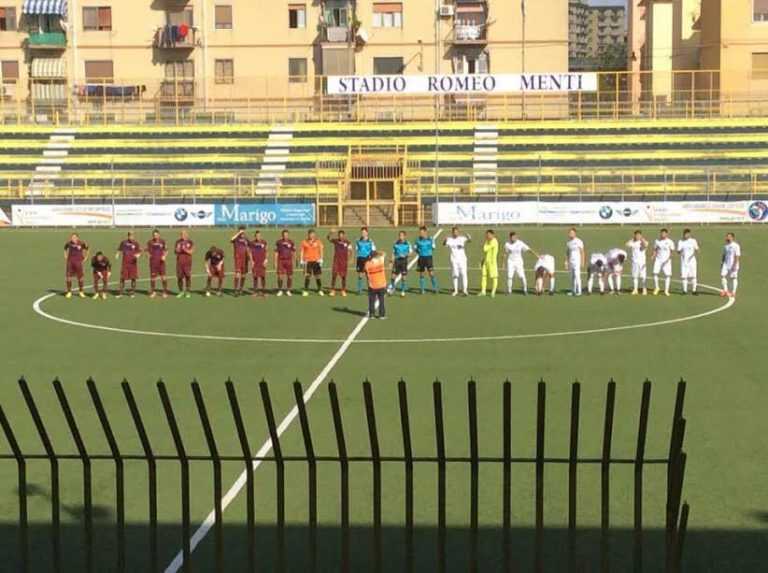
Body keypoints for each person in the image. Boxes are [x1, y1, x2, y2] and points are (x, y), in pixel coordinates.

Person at [443, 226, 470, 296]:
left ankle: (465, 290)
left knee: (464, 274)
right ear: (452, 232)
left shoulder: (462, 238)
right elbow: (444, 244)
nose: (455, 233)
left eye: (456, 232)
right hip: (454, 260)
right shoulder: (449, 239)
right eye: (454, 232)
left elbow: (469, 240)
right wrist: (445, 240)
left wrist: (469, 237)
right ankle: (455, 290)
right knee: (455, 275)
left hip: (463, 260)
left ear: (458, 232)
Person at [115, 231, 142, 298]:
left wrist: (138, 255)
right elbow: (119, 249)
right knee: (122, 278)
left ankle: (132, 293)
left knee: (133, 278)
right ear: (128, 236)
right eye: (130, 235)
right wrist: (117, 254)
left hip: (133, 264)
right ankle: (120, 293)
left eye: (132, 235)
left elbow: (140, 251)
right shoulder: (123, 242)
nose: (131, 237)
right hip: (125, 263)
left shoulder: (136, 243)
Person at [413, 227, 438, 294]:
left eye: (422, 232)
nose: (420, 234)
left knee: (431, 274)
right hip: (421, 258)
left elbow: (433, 247)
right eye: (420, 232)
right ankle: (422, 289)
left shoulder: (430, 239)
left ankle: (435, 287)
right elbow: (415, 248)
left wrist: (428, 251)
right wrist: (419, 251)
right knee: (422, 274)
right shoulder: (417, 240)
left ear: (425, 232)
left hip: (428, 258)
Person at [327, 229, 352, 297]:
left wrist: (350, 259)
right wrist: (330, 232)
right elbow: (328, 238)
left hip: (344, 262)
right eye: (339, 235)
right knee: (334, 275)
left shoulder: (348, 242)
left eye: (342, 235)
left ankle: (343, 290)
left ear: (344, 235)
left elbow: (350, 250)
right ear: (338, 236)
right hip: (336, 261)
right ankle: (332, 290)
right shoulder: (336, 241)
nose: (341, 236)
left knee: (343, 276)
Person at [64, 233, 89, 298]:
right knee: (68, 277)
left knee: (80, 277)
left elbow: (87, 248)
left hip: (78, 262)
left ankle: (81, 292)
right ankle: (69, 292)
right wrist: (65, 256)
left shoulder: (82, 243)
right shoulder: (68, 243)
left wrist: (86, 257)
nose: (73, 238)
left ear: (77, 238)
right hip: (70, 262)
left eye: (75, 237)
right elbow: (65, 248)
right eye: (72, 237)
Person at [300, 229, 325, 296]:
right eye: (310, 234)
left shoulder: (318, 241)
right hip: (307, 261)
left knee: (318, 276)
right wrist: (301, 260)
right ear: (308, 235)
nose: (312, 235)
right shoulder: (304, 242)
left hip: (316, 261)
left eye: (313, 234)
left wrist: (321, 259)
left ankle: (319, 289)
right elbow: (302, 251)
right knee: (307, 276)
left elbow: (321, 249)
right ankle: (306, 290)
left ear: (314, 234)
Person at [652, 228, 675, 296]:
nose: (663, 234)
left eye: (664, 233)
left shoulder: (670, 241)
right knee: (655, 273)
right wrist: (653, 255)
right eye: (662, 233)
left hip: (666, 261)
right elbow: (655, 249)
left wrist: (669, 258)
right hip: (658, 260)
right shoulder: (657, 241)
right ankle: (657, 288)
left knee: (667, 275)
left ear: (667, 234)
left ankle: (666, 290)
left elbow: (672, 251)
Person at [365, 251, 388, 320]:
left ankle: (372, 314)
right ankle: (381, 315)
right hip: (381, 285)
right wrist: (378, 253)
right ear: (376, 256)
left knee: (371, 300)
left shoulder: (367, 264)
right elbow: (384, 253)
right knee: (381, 300)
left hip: (372, 285)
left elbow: (366, 274)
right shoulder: (380, 262)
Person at [146, 229, 169, 298]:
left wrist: (164, 256)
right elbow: (146, 251)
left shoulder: (163, 241)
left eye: (156, 235)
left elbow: (166, 250)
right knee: (153, 278)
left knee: (163, 277)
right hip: (153, 263)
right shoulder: (150, 242)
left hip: (161, 263)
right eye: (154, 235)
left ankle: (165, 292)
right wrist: (147, 255)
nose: (155, 236)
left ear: (159, 235)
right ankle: (153, 292)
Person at [677, 229, 700, 295]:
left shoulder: (693, 241)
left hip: (692, 261)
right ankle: (684, 290)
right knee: (684, 276)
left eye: (687, 234)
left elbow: (697, 249)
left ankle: (694, 290)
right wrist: (680, 251)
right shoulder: (680, 241)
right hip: (684, 262)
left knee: (694, 276)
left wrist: (696, 251)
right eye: (685, 234)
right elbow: (678, 251)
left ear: (689, 234)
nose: (686, 235)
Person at [626, 230, 649, 296]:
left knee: (643, 276)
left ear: (641, 235)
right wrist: (632, 239)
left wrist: (642, 239)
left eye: (639, 235)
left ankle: (644, 289)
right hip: (634, 262)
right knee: (635, 276)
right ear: (634, 235)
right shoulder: (633, 242)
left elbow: (645, 245)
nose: (637, 236)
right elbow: (627, 244)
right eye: (636, 235)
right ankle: (635, 289)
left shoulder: (643, 242)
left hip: (642, 262)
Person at [389, 230, 411, 297]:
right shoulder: (396, 243)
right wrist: (391, 261)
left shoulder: (408, 243)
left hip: (404, 262)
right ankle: (393, 288)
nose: (400, 237)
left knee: (403, 277)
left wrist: (405, 255)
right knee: (392, 277)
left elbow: (411, 253)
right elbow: (393, 253)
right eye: (399, 235)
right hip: (397, 261)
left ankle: (403, 290)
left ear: (405, 236)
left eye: (402, 235)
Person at [275, 229, 296, 297]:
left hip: (289, 261)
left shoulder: (291, 242)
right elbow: (276, 252)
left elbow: (293, 251)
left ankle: (288, 290)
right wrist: (275, 262)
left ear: (288, 235)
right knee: (280, 277)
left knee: (290, 276)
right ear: (282, 235)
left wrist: (295, 260)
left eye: (286, 235)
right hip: (281, 261)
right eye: (284, 235)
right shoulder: (279, 242)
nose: (285, 236)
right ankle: (280, 290)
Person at [231, 226, 251, 297]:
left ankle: (241, 289)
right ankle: (235, 290)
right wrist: (238, 233)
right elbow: (231, 239)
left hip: (245, 259)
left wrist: (249, 256)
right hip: (238, 259)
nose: (242, 232)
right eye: (241, 231)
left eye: (243, 231)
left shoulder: (246, 239)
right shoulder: (236, 238)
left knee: (243, 275)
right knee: (237, 274)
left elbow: (250, 246)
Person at [355, 227, 376, 294]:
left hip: (367, 259)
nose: (363, 233)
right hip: (360, 259)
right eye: (362, 232)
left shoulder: (370, 241)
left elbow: (373, 250)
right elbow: (357, 249)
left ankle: (370, 289)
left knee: (368, 275)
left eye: (364, 232)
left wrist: (370, 258)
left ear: (367, 233)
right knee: (360, 275)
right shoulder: (358, 241)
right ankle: (359, 289)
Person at [565, 228, 585, 296]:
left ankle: (579, 291)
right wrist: (566, 262)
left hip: (577, 261)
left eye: (572, 233)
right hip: (571, 261)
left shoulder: (579, 241)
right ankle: (573, 290)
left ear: (575, 233)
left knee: (577, 276)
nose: (571, 234)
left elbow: (582, 252)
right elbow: (567, 252)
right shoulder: (568, 243)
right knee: (572, 276)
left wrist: (582, 262)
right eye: (570, 233)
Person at [174, 230, 195, 299]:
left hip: (187, 262)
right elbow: (175, 251)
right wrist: (178, 250)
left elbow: (192, 251)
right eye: (182, 234)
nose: (183, 235)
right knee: (179, 277)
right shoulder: (178, 242)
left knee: (188, 276)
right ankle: (181, 291)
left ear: (187, 234)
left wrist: (185, 249)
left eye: (185, 234)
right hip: (179, 262)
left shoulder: (190, 242)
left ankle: (188, 291)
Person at [720, 232, 741, 298]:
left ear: (732, 237)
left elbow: (737, 255)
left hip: (733, 264)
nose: (727, 238)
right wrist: (722, 262)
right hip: (726, 264)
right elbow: (724, 255)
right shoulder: (725, 246)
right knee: (722, 275)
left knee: (733, 278)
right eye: (727, 236)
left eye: (728, 236)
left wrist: (735, 264)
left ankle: (733, 292)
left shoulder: (736, 245)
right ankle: (725, 291)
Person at [249, 230, 269, 297]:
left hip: (262, 262)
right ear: (255, 236)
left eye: (259, 236)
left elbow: (267, 251)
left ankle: (263, 292)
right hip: (255, 262)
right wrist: (251, 261)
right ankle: (255, 292)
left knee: (263, 276)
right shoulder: (252, 243)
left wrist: (266, 260)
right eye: (257, 236)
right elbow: (250, 252)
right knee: (255, 277)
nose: (258, 237)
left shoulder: (264, 242)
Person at [479, 229, 499, 297]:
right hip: (486, 261)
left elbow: (485, 249)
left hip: (492, 262)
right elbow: (485, 251)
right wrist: (483, 259)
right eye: (487, 235)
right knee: (483, 276)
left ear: (492, 235)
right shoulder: (487, 241)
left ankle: (493, 292)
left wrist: (484, 246)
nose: (487, 236)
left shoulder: (494, 241)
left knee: (494, 277)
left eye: (489, 234)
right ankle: (483, 291)